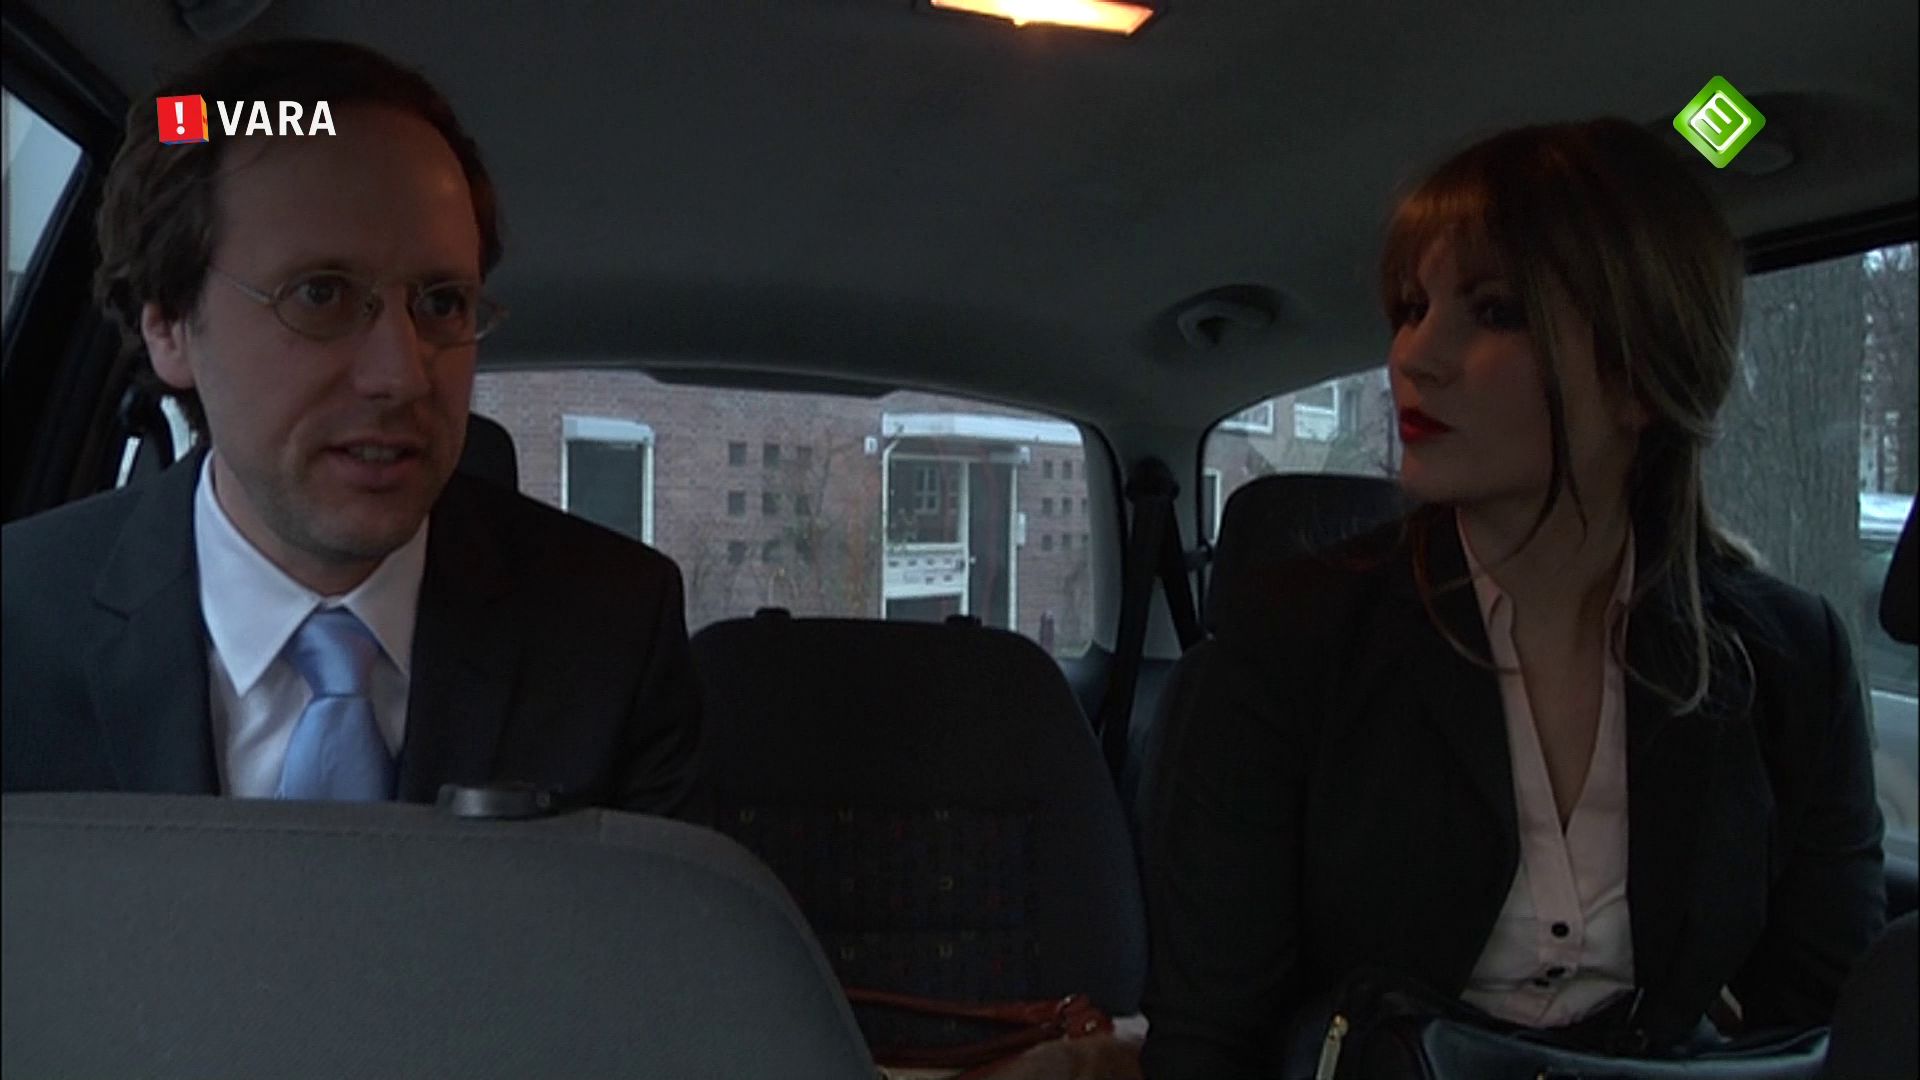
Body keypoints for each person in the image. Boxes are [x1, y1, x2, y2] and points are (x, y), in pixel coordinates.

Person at [1139, 118, 1885, 1078]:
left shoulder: (1789, 657)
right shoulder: (1293, 638)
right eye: (1412, 308)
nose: (1415, 356)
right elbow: (1209, 1039)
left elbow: (1831, 1031)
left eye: (1493, 312)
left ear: (1640, 375)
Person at [1, 40, 703, 817]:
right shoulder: (19, 622)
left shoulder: (609, 633)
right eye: (320, 295)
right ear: (168, 324)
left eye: (442, 303)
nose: (402, 376)